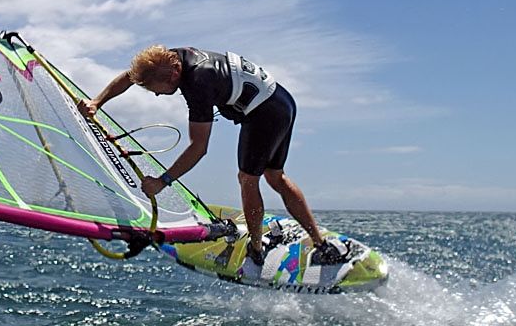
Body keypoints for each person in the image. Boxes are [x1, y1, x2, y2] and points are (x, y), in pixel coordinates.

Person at [77, 45, 350, 266]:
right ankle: (320, 243)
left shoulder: (198, 84)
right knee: (275, 177)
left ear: (173, 76)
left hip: (266, 114)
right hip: (282, 100)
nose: (157, 96)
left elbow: (199, 147)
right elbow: (129, 77)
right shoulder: (169, 58)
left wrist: (163, 181)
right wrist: (97, 102)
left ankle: (256, 248)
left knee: (248, 178)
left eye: (156, 90)